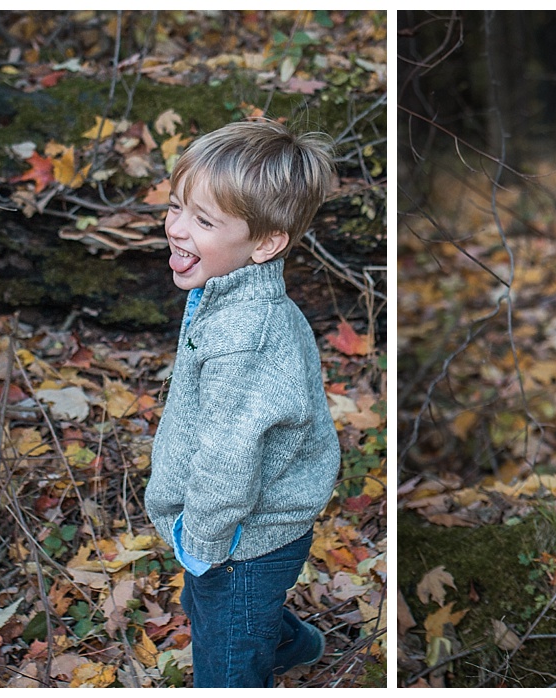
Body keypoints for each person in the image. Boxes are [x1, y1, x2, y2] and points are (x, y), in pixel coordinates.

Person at [145, 118, 340, 687]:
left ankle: (264, 648)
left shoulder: (247, 336)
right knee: (224, 615)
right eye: (177, 206)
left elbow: (230, 460)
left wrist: (202, 547)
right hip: (228, 530)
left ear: (266, 242)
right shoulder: (227, 293)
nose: (178, 229)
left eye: (203, 220)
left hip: (240, 539)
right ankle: (292, 641)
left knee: (224, 657)